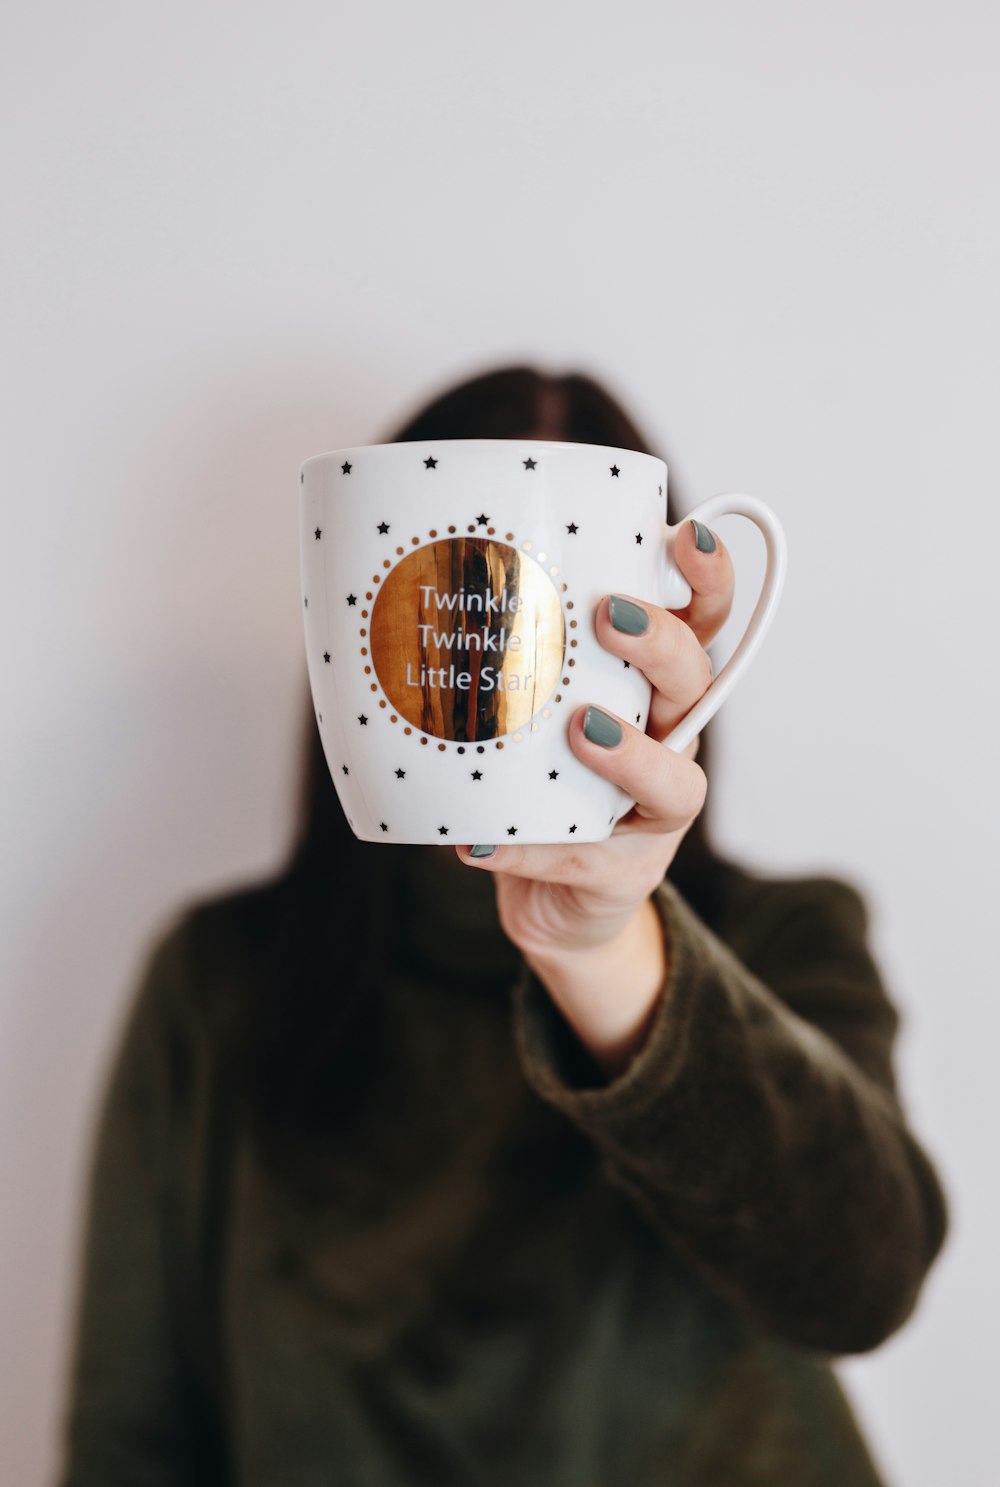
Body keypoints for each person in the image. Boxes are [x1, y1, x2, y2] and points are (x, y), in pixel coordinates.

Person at [58, 366, 948, 1486]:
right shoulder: (218, 978)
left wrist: (609, 950)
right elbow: (128, 1440)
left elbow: (860, 1279)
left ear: (656, 628)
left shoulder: (777, 936)